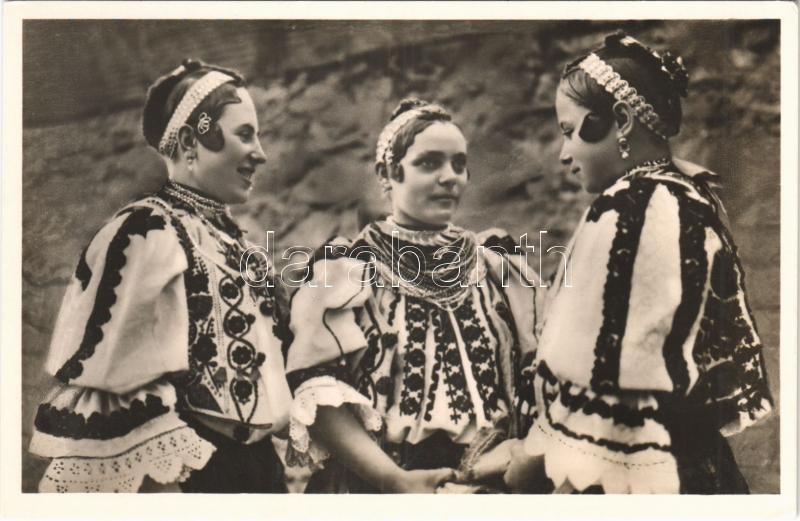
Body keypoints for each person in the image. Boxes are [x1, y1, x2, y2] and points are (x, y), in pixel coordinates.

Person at [504, 32, 773, 494]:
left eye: (570, 131)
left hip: (643, 476)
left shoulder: (635, 210)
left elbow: (606, 385)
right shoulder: (687, 197)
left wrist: (520, 466)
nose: (564, 154)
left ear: (622, 120)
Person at [29, 59, 293, 493]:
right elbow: (114, 383)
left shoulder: (238, 245)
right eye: (245, 134)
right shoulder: (147, 233)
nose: (260, 153)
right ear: (191, 140)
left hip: (262, 474)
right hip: (191, 476)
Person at [284, 99, 542, 493]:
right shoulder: (346, 270)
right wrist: (393, 479)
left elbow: (544, 381)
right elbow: (317, 392)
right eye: (429, 163)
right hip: (378, 489)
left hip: (488, 489)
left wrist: (522, 450)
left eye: (458, 164)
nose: (450, 177)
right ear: (387, 173)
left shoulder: (499, 268)